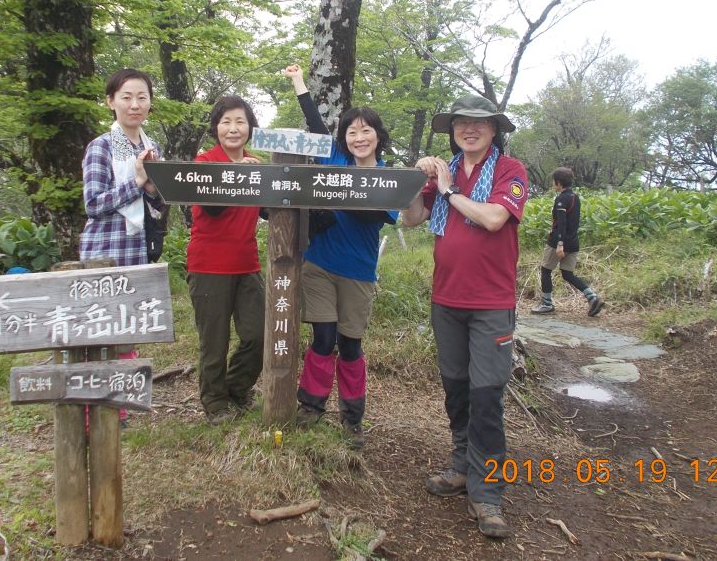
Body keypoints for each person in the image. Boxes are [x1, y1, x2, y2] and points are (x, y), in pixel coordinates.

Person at [400, 94, 528, 540]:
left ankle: (487, 491)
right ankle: (461, 466)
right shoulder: (443, 172)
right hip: (446, 299)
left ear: (494, 129)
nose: (468, 129)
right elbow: (412, 219)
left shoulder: (510, 171)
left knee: (487, 394)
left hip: (491, 303)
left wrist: (450, 188)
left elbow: (494, 218)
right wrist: (416, 183)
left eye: (478, 123)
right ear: (452, 129)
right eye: (460, 123)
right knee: (456, 388)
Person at [283, 64, 397, 450]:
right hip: (319, 265)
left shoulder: (388, 179)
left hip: (359, 272)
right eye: (352, 131)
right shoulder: (334, 162)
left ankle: (352, 418)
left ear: (378, 137)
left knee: (350, 345)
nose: (359, 136)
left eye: (366, 130)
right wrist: (299, 83)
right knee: (323, 337)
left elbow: (381, 215)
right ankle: (311, 407)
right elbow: (316, 126)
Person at [80, 68, 165, 425]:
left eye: (142, 97)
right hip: (104, 250)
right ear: (111, 101)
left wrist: (151, 189)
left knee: (128, 328)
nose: (135, 105)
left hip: (136, 248)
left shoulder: (151, 147)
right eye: (127, 97)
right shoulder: (100, 146)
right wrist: (137, 182)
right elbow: (93, 204)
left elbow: (158, 200)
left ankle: (120, 407)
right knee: (96, 330)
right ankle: (89, 410)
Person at [186, 96, 266, 424]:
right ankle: (215, 403)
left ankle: (236, 388)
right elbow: (212, 208)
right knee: (214, 341)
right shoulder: (204, 163)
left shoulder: (256, 164)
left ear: (250, 128)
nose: (233, 129)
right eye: (226, 122)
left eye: (240, 122)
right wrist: (234, 173)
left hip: (248, 264)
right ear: (216, 127)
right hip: (208, 267)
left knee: (259, 335)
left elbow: (271, 210)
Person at [532, 167, 604, 317]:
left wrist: (559, 244)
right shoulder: (575, 197)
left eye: (554, 181)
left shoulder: (561, 199)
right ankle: (592, 297)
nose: (553, 184)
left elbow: (562, 223)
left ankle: (546, 303)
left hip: (559, 241)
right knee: (567, 274)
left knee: (545, 269)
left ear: (558, 183)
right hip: (573, 242)